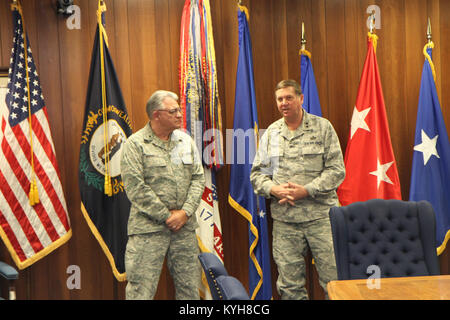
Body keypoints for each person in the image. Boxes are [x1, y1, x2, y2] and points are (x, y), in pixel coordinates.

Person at [250, 79, 345, 299]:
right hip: (286, 222)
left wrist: (307, 190)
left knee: (335, 282)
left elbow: (337, 170)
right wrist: (274, 189)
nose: (284, 103)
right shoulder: (272, 133)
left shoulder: (323, 127)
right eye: (280, 99)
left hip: (322, 218)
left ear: (301, 99)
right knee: (289, 287)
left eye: (289, 97)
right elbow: (257, 175)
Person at [120, 90, 205, 300]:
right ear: (156, 115)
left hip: (184, 230)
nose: (179, 114)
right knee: (140, 293)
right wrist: (167, 216)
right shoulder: (135, 144)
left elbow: (198, 178)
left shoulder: (185, 141)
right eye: (173, 111)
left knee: (190, 293)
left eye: (179, 109)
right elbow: (135, 187)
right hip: (148, 230)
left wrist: (184, 213)